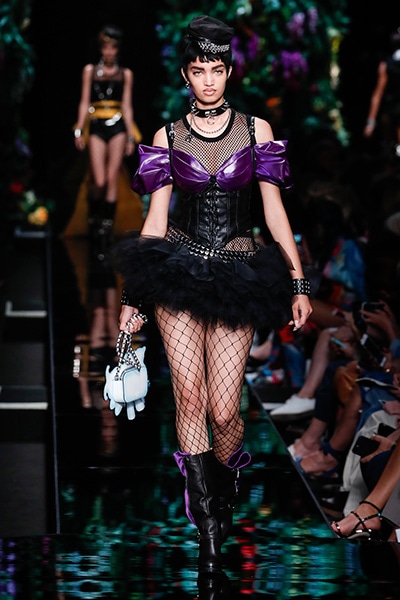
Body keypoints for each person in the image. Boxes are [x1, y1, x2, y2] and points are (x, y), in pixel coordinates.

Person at [115, 15, 313, 575]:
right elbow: (156, 221)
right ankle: (206, 526)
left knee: (226, 410)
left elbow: (274, 211)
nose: (208, 79)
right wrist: (133, 298)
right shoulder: (167, 136)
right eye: (198, 70)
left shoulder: (256, 131)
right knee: (190, 395)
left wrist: (298, 282)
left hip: (238, 272)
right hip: (178, 271)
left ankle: (222, 493)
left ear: (229, 71)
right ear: (186, 73)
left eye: (217, 69)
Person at [73, 24, 135, 248]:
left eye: (113, 47)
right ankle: (93, 218)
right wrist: (79, 129)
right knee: (98, 180)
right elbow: (84, 101)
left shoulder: (125, 74)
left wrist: (130, 136)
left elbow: (127, 105)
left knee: (112, 178)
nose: (109, 52)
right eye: (105, 47)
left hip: (118, 125)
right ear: (100, 48)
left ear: (118, 49)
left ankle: (105, 228)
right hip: (97, 125)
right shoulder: (90, 71)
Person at [363, 28, 400, 157]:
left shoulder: (386, 65)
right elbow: (378, 95)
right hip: (393, 112)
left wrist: (370, 122)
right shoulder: (387, 66)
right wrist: (371, 122)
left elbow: (377, 94)